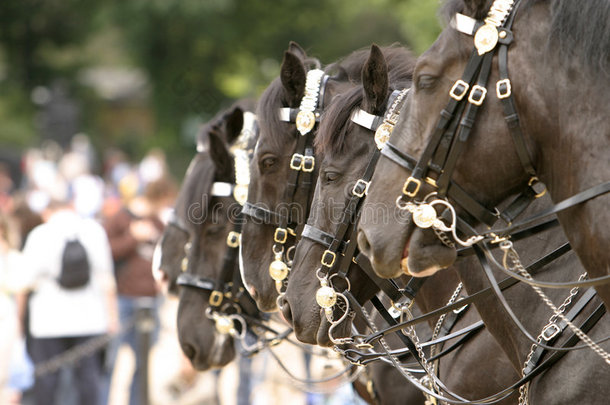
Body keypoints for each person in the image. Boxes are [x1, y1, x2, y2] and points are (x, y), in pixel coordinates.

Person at [17, 196, 118, 405]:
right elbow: (107, 278)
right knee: (88, 380)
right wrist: (112, 316)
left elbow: (24, 282)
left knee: (47, 382)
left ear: (47, 212)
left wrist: (19, 321)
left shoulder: (40, 235)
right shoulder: (94, 231)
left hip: (48, 320)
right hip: (90, 318)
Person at [101, 177, 175, 405]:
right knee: (110, 360)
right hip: (122, 297)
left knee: (143, 361)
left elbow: (168, 252)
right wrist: (133, 237)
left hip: (150, 300)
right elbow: (105, 252)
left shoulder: (157, 222)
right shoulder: (120, 218)